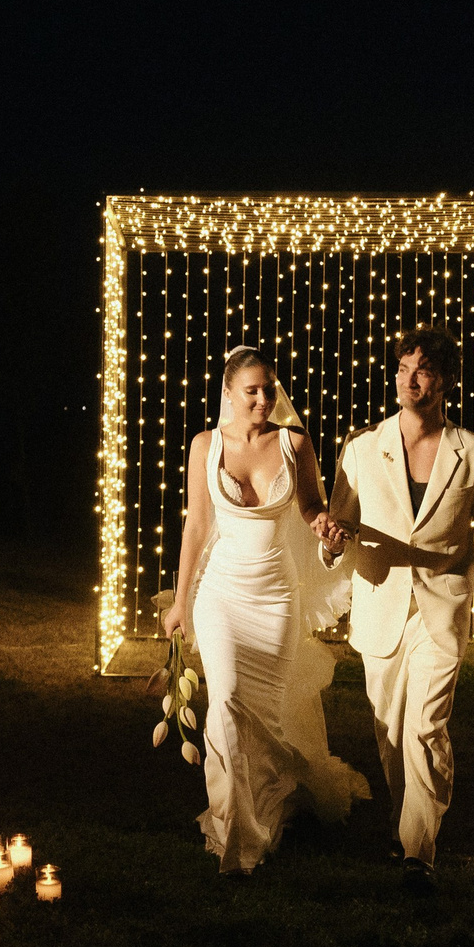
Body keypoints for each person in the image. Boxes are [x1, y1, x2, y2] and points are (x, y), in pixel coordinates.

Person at [161, 348, 367, 875]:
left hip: (276, 598)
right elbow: (196, 528)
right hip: (222, 595)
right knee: (226, 702)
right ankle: (236, 831)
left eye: (269, 388)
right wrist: (182, 600)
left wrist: (324, 526)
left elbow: (310, 506)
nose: (262, 398)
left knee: (268, 719)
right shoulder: (205, 447)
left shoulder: (294, 443)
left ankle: (271, 800)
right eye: (251, 390)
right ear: (228, 393)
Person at [319, 326, 474, 894]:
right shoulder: (362, 447)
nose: (410, 380)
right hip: (381, 604)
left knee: (426, 725)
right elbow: (336, 529)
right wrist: (330, 544)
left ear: (444, 380)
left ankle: (418, 854)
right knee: (390, 731)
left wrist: (457, 577)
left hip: (441, 612)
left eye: (422, 370)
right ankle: (407, 829)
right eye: (402, 369)